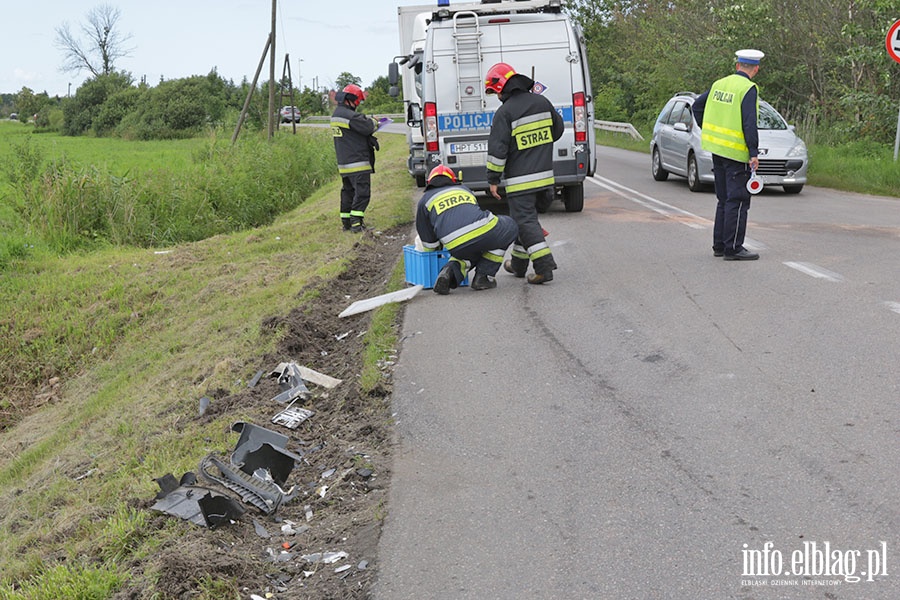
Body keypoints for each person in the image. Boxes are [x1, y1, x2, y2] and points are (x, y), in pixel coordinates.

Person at [484, 62, 564, 284]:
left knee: (525, 221)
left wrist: (492, 180)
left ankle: (544, 266)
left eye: (495, 92)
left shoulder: (505, 112)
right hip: (546, 179)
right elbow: (557, 130)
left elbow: (497, 151)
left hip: (521, 182)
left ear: (501, 88)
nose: (496, 97)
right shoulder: (543, 102)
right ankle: (518, 265)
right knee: (525, 221)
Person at [691, 49, 765, 261]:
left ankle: (719, 245)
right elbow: (749, 123)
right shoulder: (748, 88)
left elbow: (697, 106)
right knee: (739, 200)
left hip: (717, 150)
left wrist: (706, 129)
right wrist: (753, 153)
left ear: (737, 66)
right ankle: (733, 248)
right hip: (736, 152)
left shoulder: (719, 84)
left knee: (723, 199)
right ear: (756, 69)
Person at [416, 165, 519, 295]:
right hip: (482, 230)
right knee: (509, 227)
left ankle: (449, 271)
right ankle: (484, 276)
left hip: (454, 244)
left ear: (429, 182)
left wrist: (435, 254)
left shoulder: (424, 200)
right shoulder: (464, 189)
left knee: (471, 248)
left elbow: (428, 238)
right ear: (453, 180)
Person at [331, 83, 379, 233]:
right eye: (358, 101)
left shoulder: (337, 114)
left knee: (348, 192)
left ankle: (346, 223)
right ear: (351, 100)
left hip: (344, 163)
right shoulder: (350, 116)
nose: (358, 104)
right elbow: (368, 127)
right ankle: (356, 224)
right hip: (358, 162)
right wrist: (376, 121)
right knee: (362, 193)